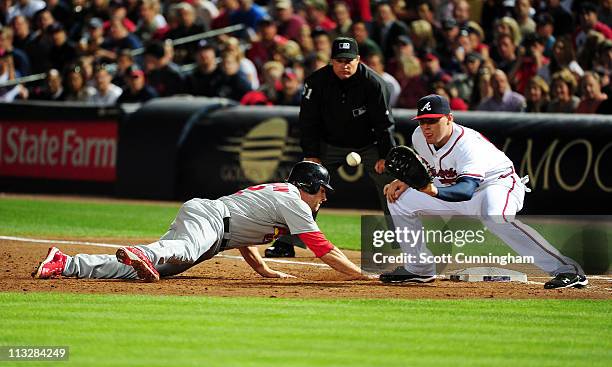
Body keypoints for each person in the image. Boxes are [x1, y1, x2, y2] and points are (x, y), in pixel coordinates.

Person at [32, 162, 370, 282]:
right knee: (181, 250)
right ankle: (144, 253)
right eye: (322, 192)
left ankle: (66, 263)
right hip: (210, 222)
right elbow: (323, 249)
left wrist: (262, 270)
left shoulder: (282, 197)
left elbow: (243, 234)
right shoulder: (293, 199)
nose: (323, 199)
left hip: (213, 226)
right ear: (308, 186)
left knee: (141, 271)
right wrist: (362, 275)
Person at [380, 94, 587, 290]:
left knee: (495, 216)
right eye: (422, 121)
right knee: (399, 198)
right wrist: (405, 181)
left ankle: (568, 270)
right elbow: (428, 164)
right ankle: (419, 269)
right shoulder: (419, 137)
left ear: (449, 119)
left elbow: (466, 189)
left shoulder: (467, 145)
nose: (426, 127)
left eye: (432, 121)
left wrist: (431, 190)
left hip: (497, 185)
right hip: (453, 189)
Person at [265, 37, 395, 257]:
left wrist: (385, 156)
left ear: (359, 60)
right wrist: (311, 154)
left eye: (349, 60)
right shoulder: (316, 82)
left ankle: (403, 241)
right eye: (339, 60)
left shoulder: (374, 83)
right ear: (331, 61)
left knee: (392, 185)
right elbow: (308, 121)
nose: (345, 65)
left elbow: (384, 124)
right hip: (330, 143)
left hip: (369, 144)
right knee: (304, 185)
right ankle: (286, 242)